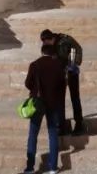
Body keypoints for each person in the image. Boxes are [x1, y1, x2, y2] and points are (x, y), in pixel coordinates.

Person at [23, 43, 66, 174]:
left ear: (42, 52)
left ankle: (30, 167)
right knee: (52, 134)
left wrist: (35, 89)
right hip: (53, 103)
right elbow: (63, 84)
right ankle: (53, 167)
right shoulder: (58, 65)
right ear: (53, 53)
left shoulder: (35, 65)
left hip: (38, 103)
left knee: (33, 134)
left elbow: (27, 83)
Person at [41, 29, 84, 135]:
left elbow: (78, 48)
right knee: (59, 100)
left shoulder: (65, 40)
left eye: (46, 42)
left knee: (75, 97)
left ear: (50, 38)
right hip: (59, 74)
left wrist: (74, 64)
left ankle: (79, 123)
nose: (45, 44)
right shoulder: (48, 45)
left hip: (71, 72)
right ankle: (61, 125)